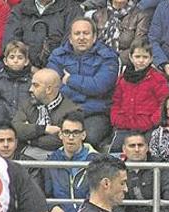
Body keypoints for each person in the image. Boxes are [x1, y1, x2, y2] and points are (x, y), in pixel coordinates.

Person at [46, 18, 120, 149]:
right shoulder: (58, 56)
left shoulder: (107, 56)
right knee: (52, 139)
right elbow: (52, 87)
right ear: (70, 37)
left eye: (86, 33)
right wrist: (84, 92)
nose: (81, 37)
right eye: (77, 33)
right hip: (63, 113)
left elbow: (99, 86)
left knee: (87, 138)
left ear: (94, 37)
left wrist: (70, 80)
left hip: (95, 113)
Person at [45, 111, 99, 212]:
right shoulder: (51, 161)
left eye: (75, 133)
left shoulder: (97, 161)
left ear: (83, 135)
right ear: (60, 135)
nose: (70, 137)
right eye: (67, 132)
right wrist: (53, 206)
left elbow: (95, 200)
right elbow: (45, 193)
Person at [110, 39, 169, 149]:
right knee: (116, 149)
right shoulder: (123, 79)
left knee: (150, 148)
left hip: (149, 127)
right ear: (131, 57)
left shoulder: (157, 79)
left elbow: (164, 102)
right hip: (125, 125)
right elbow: (116, 101)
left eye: (145, 57)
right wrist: (117, 119)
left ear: (151, 58)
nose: (141, 60)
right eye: (137, 57)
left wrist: (152, 121)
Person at [117, 131, 169, 212]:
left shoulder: (161, 167)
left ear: (147, 147)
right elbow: (111, 201)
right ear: (124, 149)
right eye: (132, 146)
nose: (137, 149)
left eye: (140, 145)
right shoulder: (116, 170)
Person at [12, 68, 81, 160]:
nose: (30, 89)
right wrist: (44, 129)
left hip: (56, 158)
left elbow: (61, 140)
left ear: (48, 89)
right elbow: (15, 128)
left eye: (35, 86)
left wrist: (30, 138)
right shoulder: (27, 104)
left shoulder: (71, 110)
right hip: (25, 155)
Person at [2, 0, 83, 70]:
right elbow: (11, 44)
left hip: (59, 71)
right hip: (23, 70)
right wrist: (30, 68)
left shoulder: (72, 9)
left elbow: (71, 45)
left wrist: (50, 69)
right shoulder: (19, 9)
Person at [0, 40, 33, 144]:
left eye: (20, 57)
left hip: (23, 121)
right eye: (12, 57)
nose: (16, 61)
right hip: (2, 120)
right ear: (5, 61)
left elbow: (35, 101)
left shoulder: (32, 81)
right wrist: (0, 109)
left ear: (26, 61)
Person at [87, 0, 152, 64]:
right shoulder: (97, 15)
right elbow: (92, 43)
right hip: (98, 60)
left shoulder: (141, 16)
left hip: (124, 63)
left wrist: (114, 58)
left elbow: (138, 46)